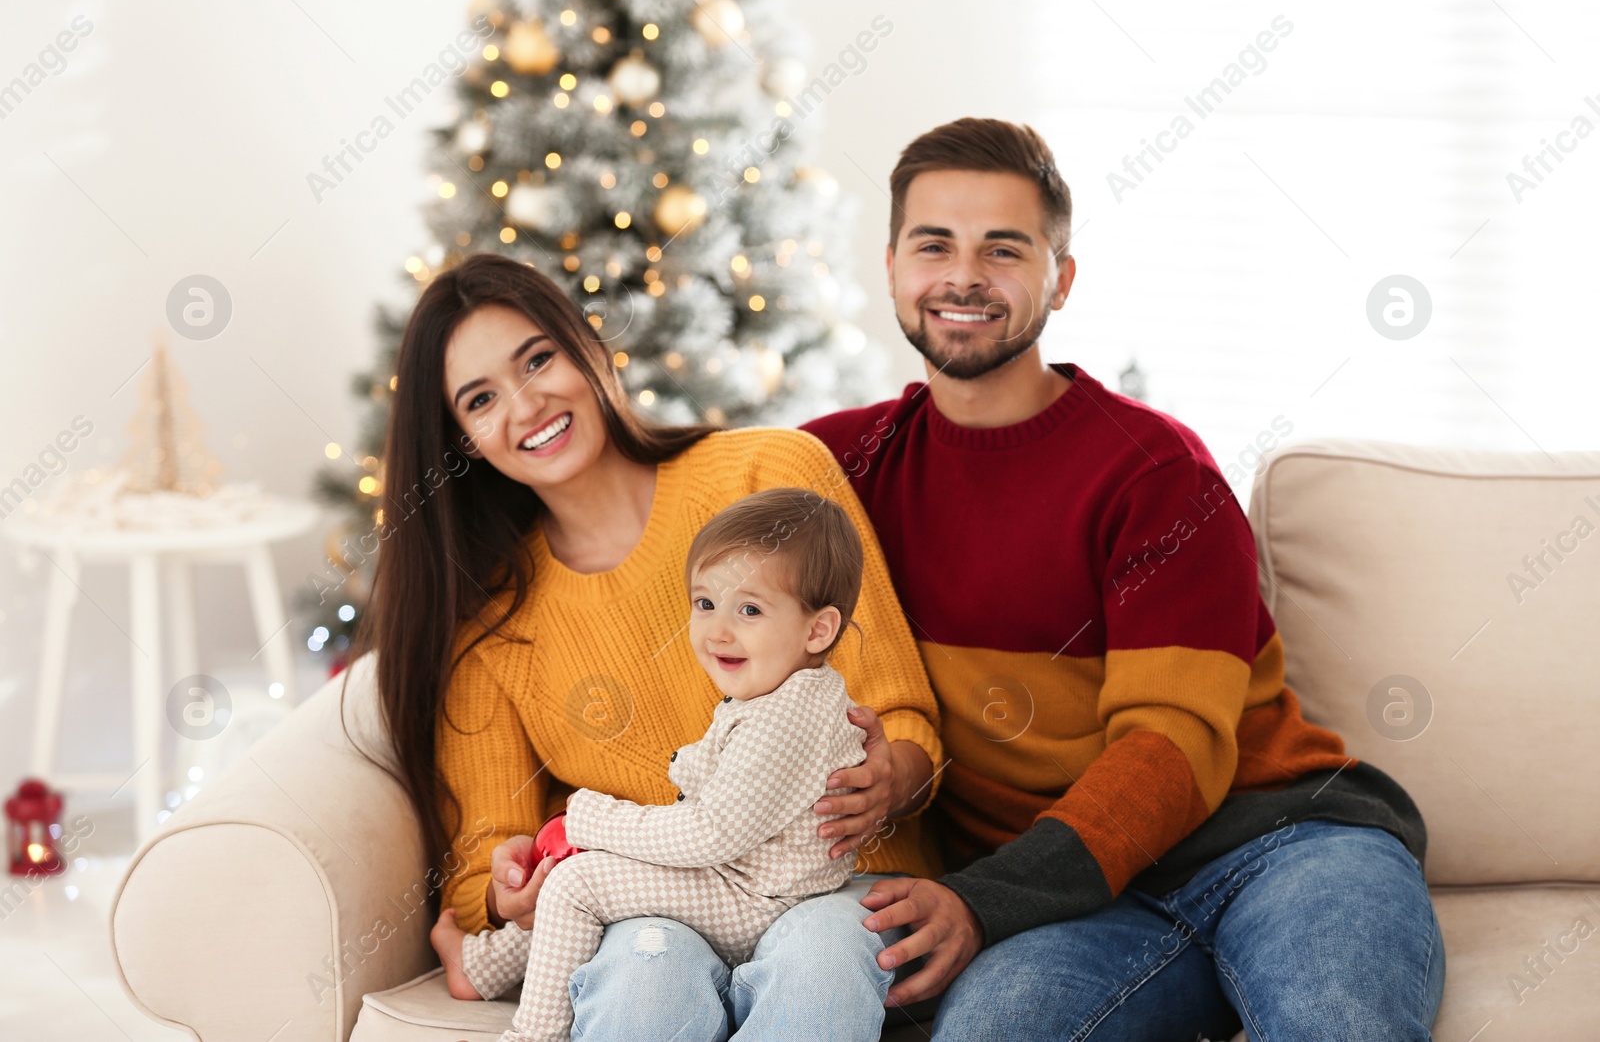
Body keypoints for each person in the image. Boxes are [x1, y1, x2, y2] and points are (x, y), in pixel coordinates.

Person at [801, 118, 1445, 1040]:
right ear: (894, 266)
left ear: (1061, 278)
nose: (963, 276)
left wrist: (983, 899)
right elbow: (651, 512)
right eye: (933, 244)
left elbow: (1171, 750)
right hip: (1088, 908)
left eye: (1004, 249)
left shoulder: (1155, 473)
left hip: (1277, 844)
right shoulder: (840, 464)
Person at [357, 253, 944, 1040]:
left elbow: (904, 712)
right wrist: (507, 888)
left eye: (539, 359)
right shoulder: (489, 627)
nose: (528, 404)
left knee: (821, 962)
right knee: (643, 979)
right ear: (459, 437)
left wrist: (890, 776)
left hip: (832, 882)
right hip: (658, 900)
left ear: (586, 348)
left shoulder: (768, 475)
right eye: (481, 398)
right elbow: (477, 871)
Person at [432, 489, 880, 1042]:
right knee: (601, 871)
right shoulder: (789, 693)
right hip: (742, 877)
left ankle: (534, 1034)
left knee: (578, 883)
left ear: (818, 630)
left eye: (749, 609)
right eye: (704, 603)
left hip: (759, 901)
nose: (717, 631)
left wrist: (590, 819)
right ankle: (483, 965)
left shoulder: (784, 719)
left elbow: (710, 832)